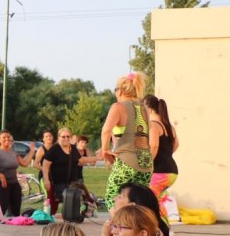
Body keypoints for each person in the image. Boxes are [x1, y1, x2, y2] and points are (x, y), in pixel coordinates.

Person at [100, 72, 152, 206]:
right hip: (146, 163)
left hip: (126, 162)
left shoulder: (118, 107)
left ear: (121, 91)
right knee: (140, 203)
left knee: (113, 198)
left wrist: (105, 150)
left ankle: (119, 226)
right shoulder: (144, 108)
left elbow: (106, 130)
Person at [42, 127, 97, 215]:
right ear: (58, 137)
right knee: (63, 202)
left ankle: (73, 217)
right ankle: (65, 217)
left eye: (68, 137)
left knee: (76, 199)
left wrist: (98, 158)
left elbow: (80, 160)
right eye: (63, 137)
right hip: (58, 182)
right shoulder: (54, 149)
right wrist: (46, 179)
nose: (66, 139)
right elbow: (45, 164)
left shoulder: (73, 148)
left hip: (72, 181)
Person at [144, 95, 179, 222]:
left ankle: (162, 231)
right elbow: (176, 144)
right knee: (157, 200)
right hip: (171, 171)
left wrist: (148, 164)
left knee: (150, 202)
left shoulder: (153, 125)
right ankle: (164, 230)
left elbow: (153, 146)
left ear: (150, 109)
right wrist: (166, 156)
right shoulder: (169, 126)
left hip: (159, 172)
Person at [0, 130, 34, 217]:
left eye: (8, 137)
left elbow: (25, 163)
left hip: (14, 184)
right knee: (1, 211)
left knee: (16, 211)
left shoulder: (13, 151)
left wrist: (32, 151)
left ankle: (14, 229)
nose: (7, 139)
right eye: (4, 137)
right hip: (2, 185)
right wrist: (1, 175)